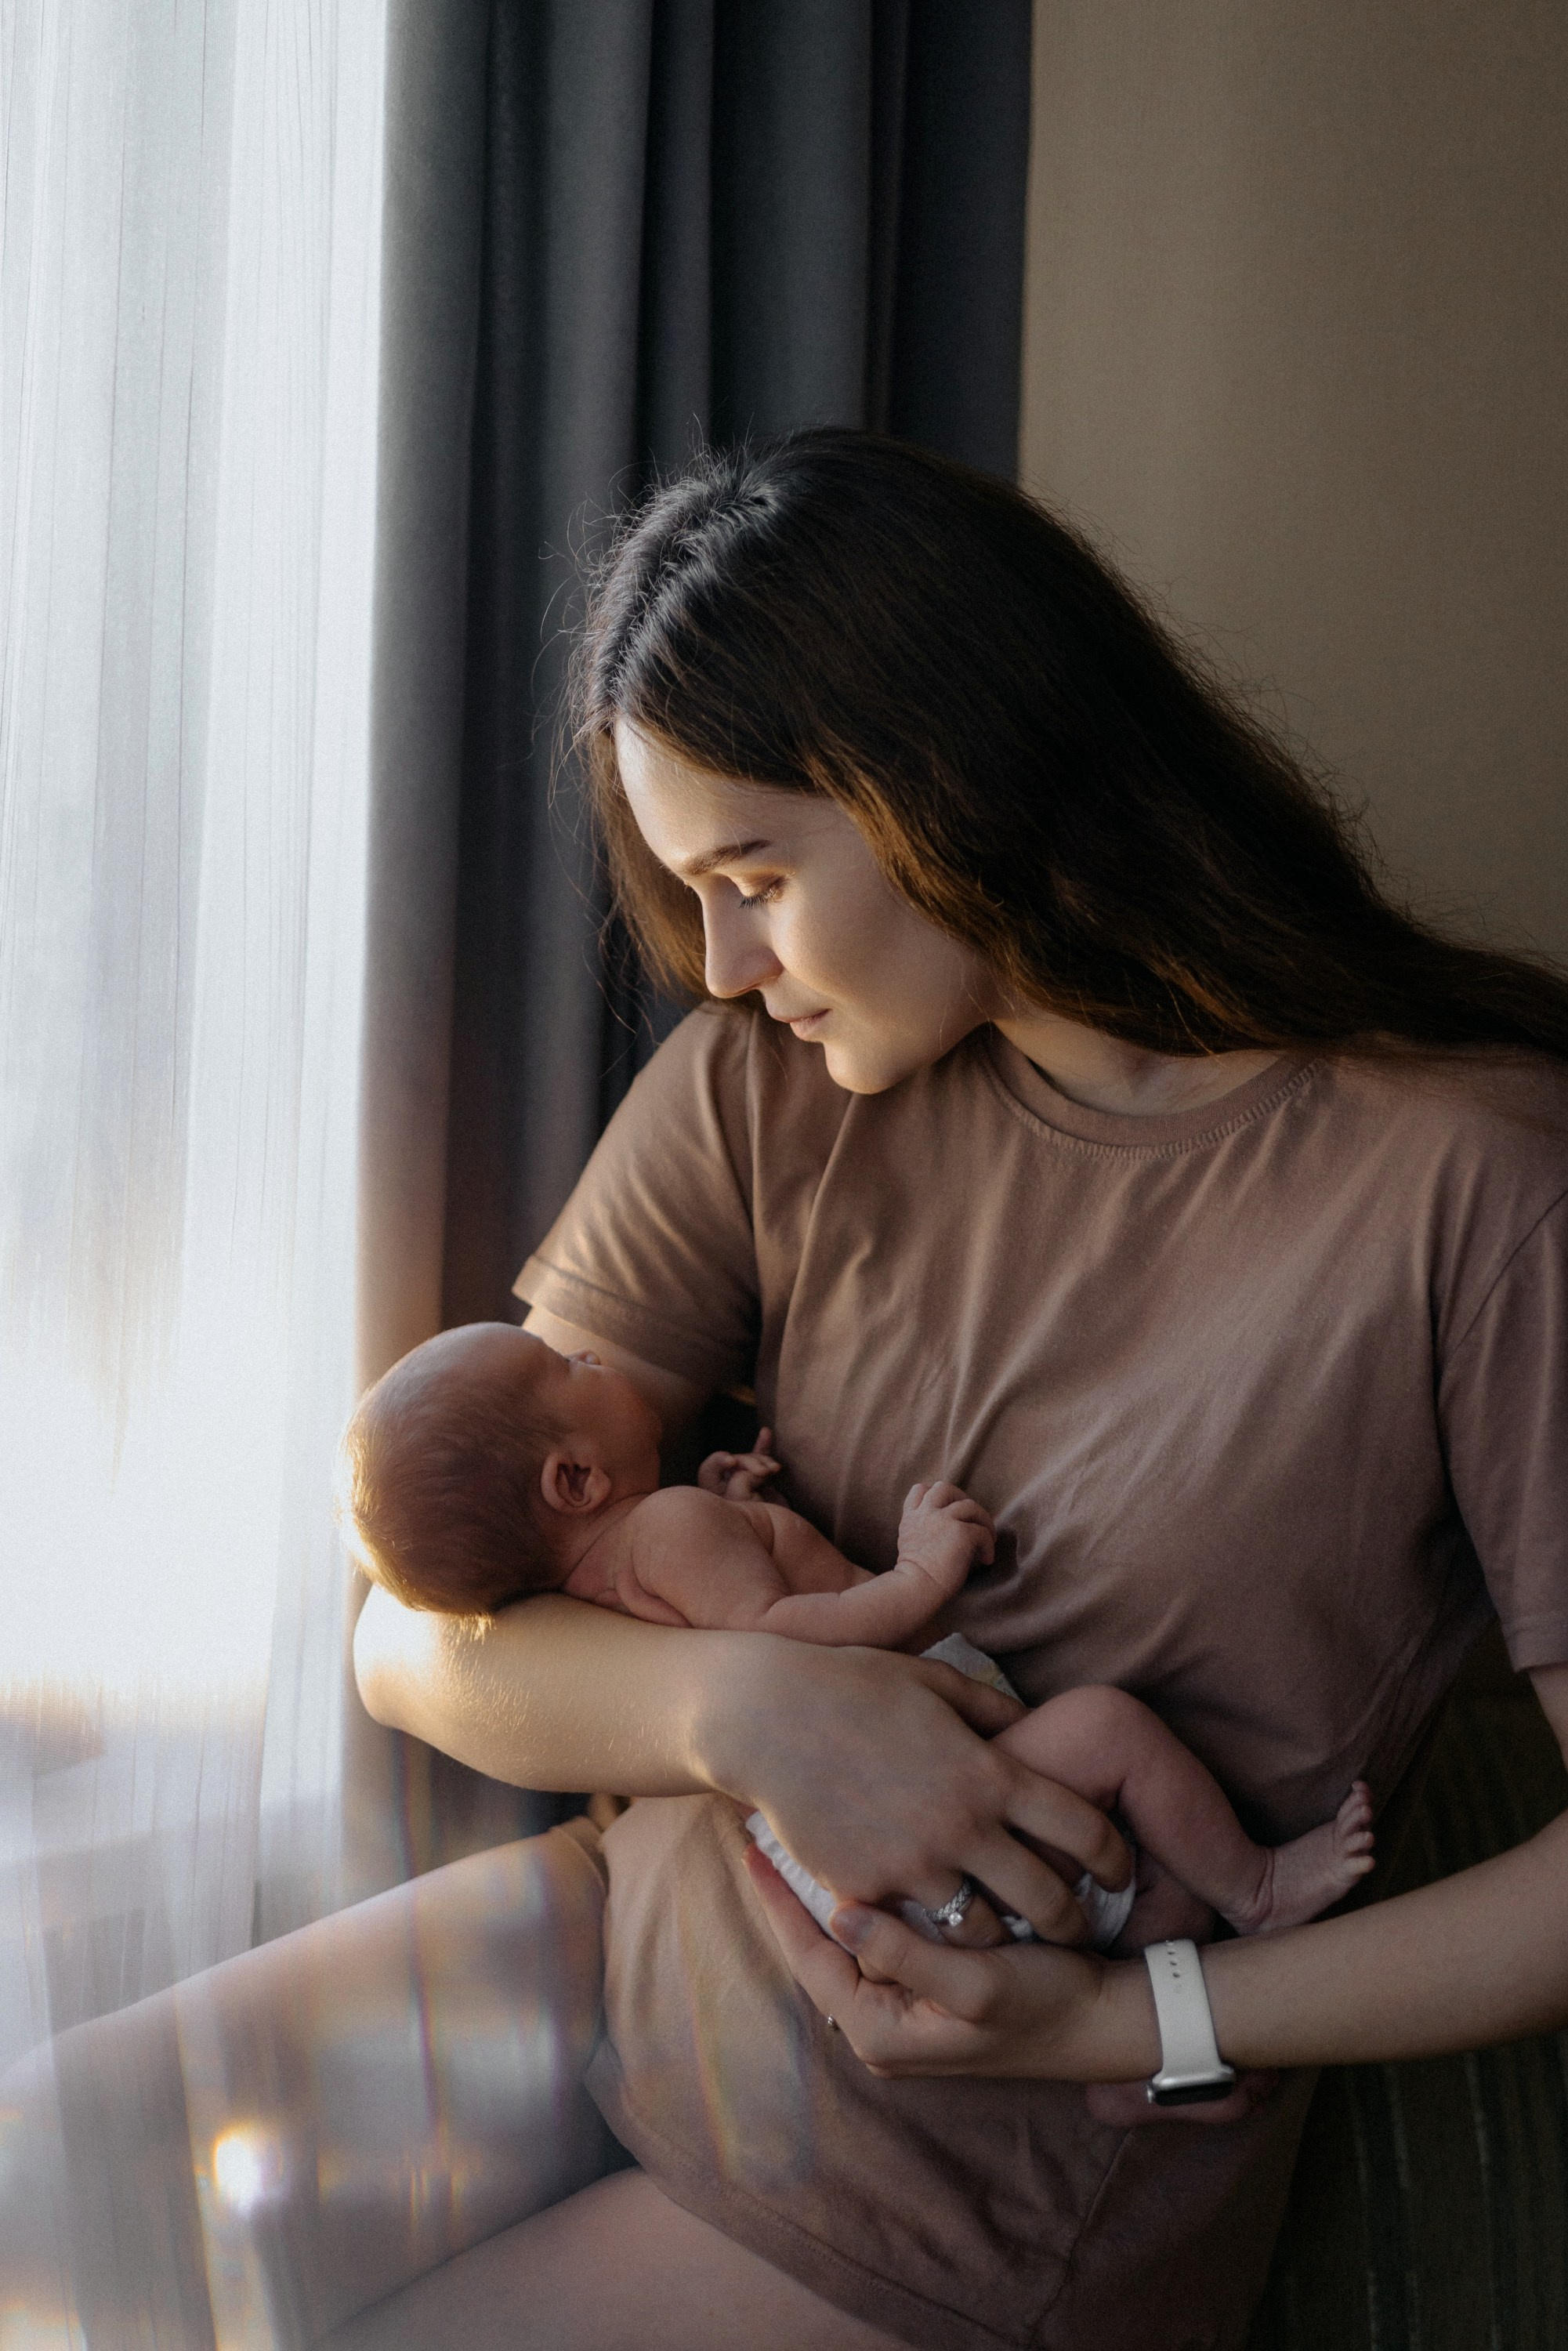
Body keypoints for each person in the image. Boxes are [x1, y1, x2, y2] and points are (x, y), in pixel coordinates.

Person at [8, 431, 1566, 2351]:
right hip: (622, 1949)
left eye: (752, 875)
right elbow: (417, 1646)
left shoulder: (1472, 1185)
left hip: (953, 2163)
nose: (723, 965)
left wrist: (1141, 2018)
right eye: (691, 889)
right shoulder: (766, 1095)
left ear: (953, 785)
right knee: (32, 2217)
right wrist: (746, 1709)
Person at [337, 1320, 1377, 1953]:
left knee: (1136, 1913)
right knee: (1105, 1730)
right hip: (917, 1796)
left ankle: (1128, 2064)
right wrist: (921, 1572)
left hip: (843, 1860)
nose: (593, 1352)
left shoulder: (609, 1578)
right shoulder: (671, 1531)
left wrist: (735, 1506)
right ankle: (1259, 1889)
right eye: (570, 1363)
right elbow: (788, 1636)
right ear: (574, 1479)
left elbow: (713, 1604)